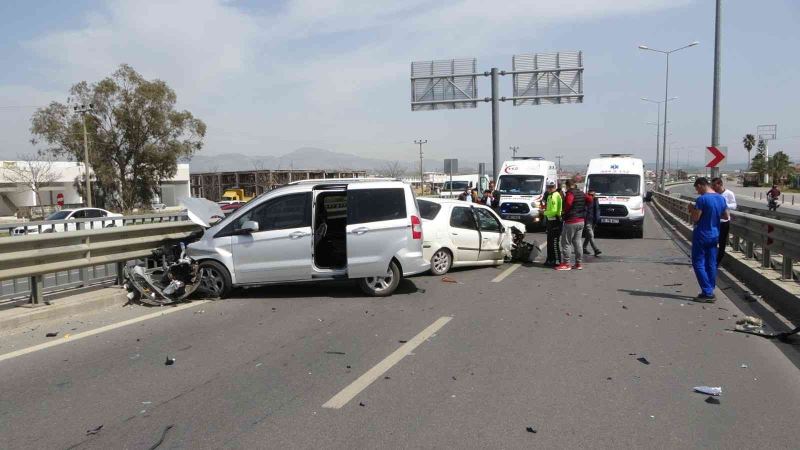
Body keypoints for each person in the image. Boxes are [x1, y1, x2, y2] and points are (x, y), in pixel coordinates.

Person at [688, 177, 730, 302]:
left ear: (701, 185)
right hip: (715, 234)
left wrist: (691, 209)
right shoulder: (720, 198)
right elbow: (726, 215)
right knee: (711, 263)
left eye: (697, 189)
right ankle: (710, 288)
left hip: (702, 234)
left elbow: (696, 218)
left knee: (698, 262)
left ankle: (707, 292)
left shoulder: (702, 199)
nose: (697, 191)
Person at [558, 180, 586, 270]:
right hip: (581, 220)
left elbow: (569, 203)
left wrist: (564, 211)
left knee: (566, 242)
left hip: (571, 220)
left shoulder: (570, 193)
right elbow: (589, 199)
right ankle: (578, 263)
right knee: (578, 242)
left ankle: (566, 264)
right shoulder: (581, 193)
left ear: (567, 186)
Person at [711, 178, 736, 265]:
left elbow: (734, 205)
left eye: (714, 185)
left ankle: (718, 261)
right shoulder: (713, 194)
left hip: (724, 221)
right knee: (713, 240)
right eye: (712, 185)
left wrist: (724, 205)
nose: (713, 187)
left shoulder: (729, 193)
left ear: (720, 184)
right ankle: (711, 259)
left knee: (722, 242)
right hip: (714, 221)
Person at [543, 181, 563, 267]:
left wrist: (544, 213)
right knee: (550, 242)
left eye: (550, 187)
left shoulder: (555, 195)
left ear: (553, 187)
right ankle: (550, 259)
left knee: (554, 242)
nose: (548, 189)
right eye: (548, 187)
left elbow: (554, 211)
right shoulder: (550, 195)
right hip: (550, 221)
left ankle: (557, 261)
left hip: (555, 221)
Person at [582, 189, 602, 257]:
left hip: (593, 220)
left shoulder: (595, 200)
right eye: (590, 195)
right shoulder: (586, 200)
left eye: (593, 195)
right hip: (587, 220)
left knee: (588, 235)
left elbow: (597, 210)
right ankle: (596, 249)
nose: (592, 196)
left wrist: (597, 219)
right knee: (591, 235)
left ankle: (584, 248)